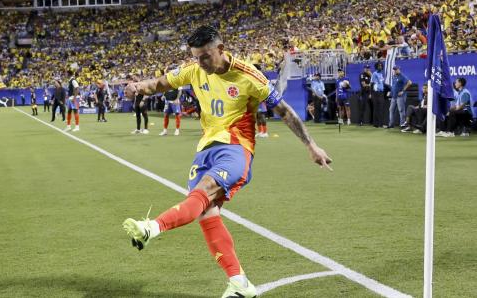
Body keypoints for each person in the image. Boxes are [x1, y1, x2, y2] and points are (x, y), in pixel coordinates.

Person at [121, 26, 332, 298]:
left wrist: (311, 145)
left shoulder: (248, 76)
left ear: (221, 49)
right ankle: (240, 283)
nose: (200, 62)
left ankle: (152, 227)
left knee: (205, 191)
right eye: (196, 57)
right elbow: (160, 83)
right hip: (204, 149)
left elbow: (284, 111)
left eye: (205, 56)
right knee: (206, 213)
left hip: (235, 148)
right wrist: (138, 86)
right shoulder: (194, 70)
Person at [370, 62, 386, 128]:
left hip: (381, 93)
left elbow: (382, 83)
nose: (380, 67)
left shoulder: (381, 74)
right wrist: (371, 93)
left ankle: (380, 123)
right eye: (379, 66)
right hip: (376, 93)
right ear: (376, 66)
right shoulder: (374, 74)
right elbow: (372, 84)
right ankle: (376, 124)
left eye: (381, 66)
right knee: (376, 108)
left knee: (381, 108)